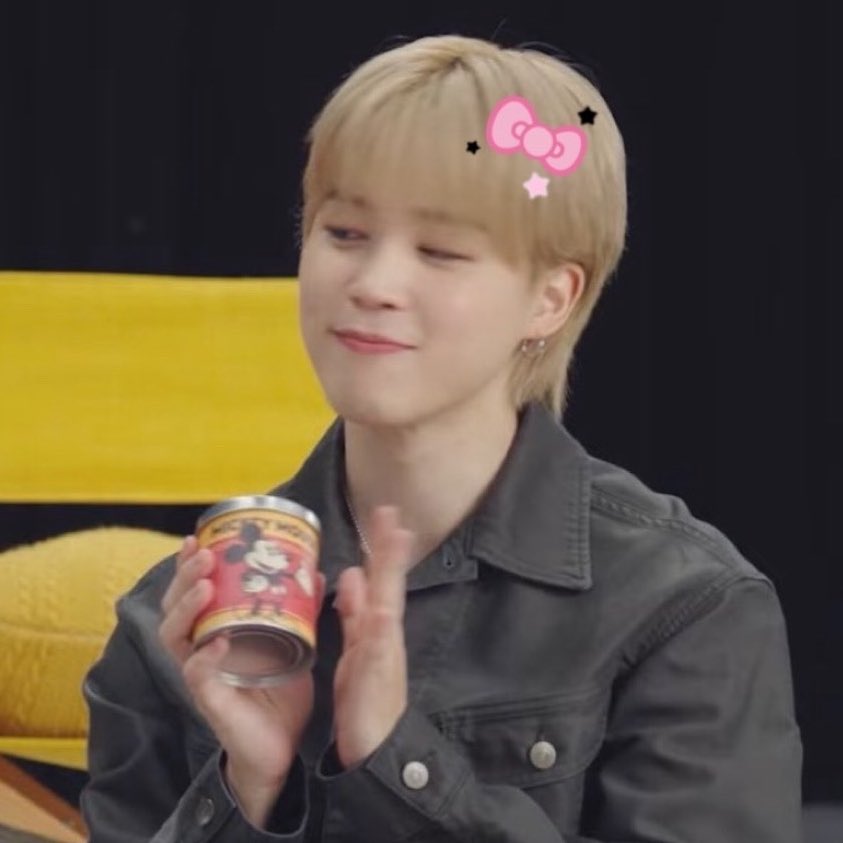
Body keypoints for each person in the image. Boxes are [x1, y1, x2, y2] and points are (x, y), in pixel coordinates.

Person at [80, 33, 804, 842]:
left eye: (440, 251)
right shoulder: (170, 622)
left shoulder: (681, 604)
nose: (374, 284)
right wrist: (250, 785)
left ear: (551, 298)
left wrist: (397, 760)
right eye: (344, 232)